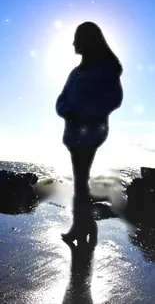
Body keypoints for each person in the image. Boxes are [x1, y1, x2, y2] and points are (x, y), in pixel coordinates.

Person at [55, 21, 123, 244]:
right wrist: (68, 112)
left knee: (81, 181)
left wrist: (86, 113)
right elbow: (62, 99)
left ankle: (80, 226)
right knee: (80, 181)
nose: (74, 42)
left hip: (90, 133)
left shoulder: (104, 67)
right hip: (74, 133)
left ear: (88, 40)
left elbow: (114, 97)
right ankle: (87, 225)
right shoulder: (76, 71)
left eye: (78, 37)